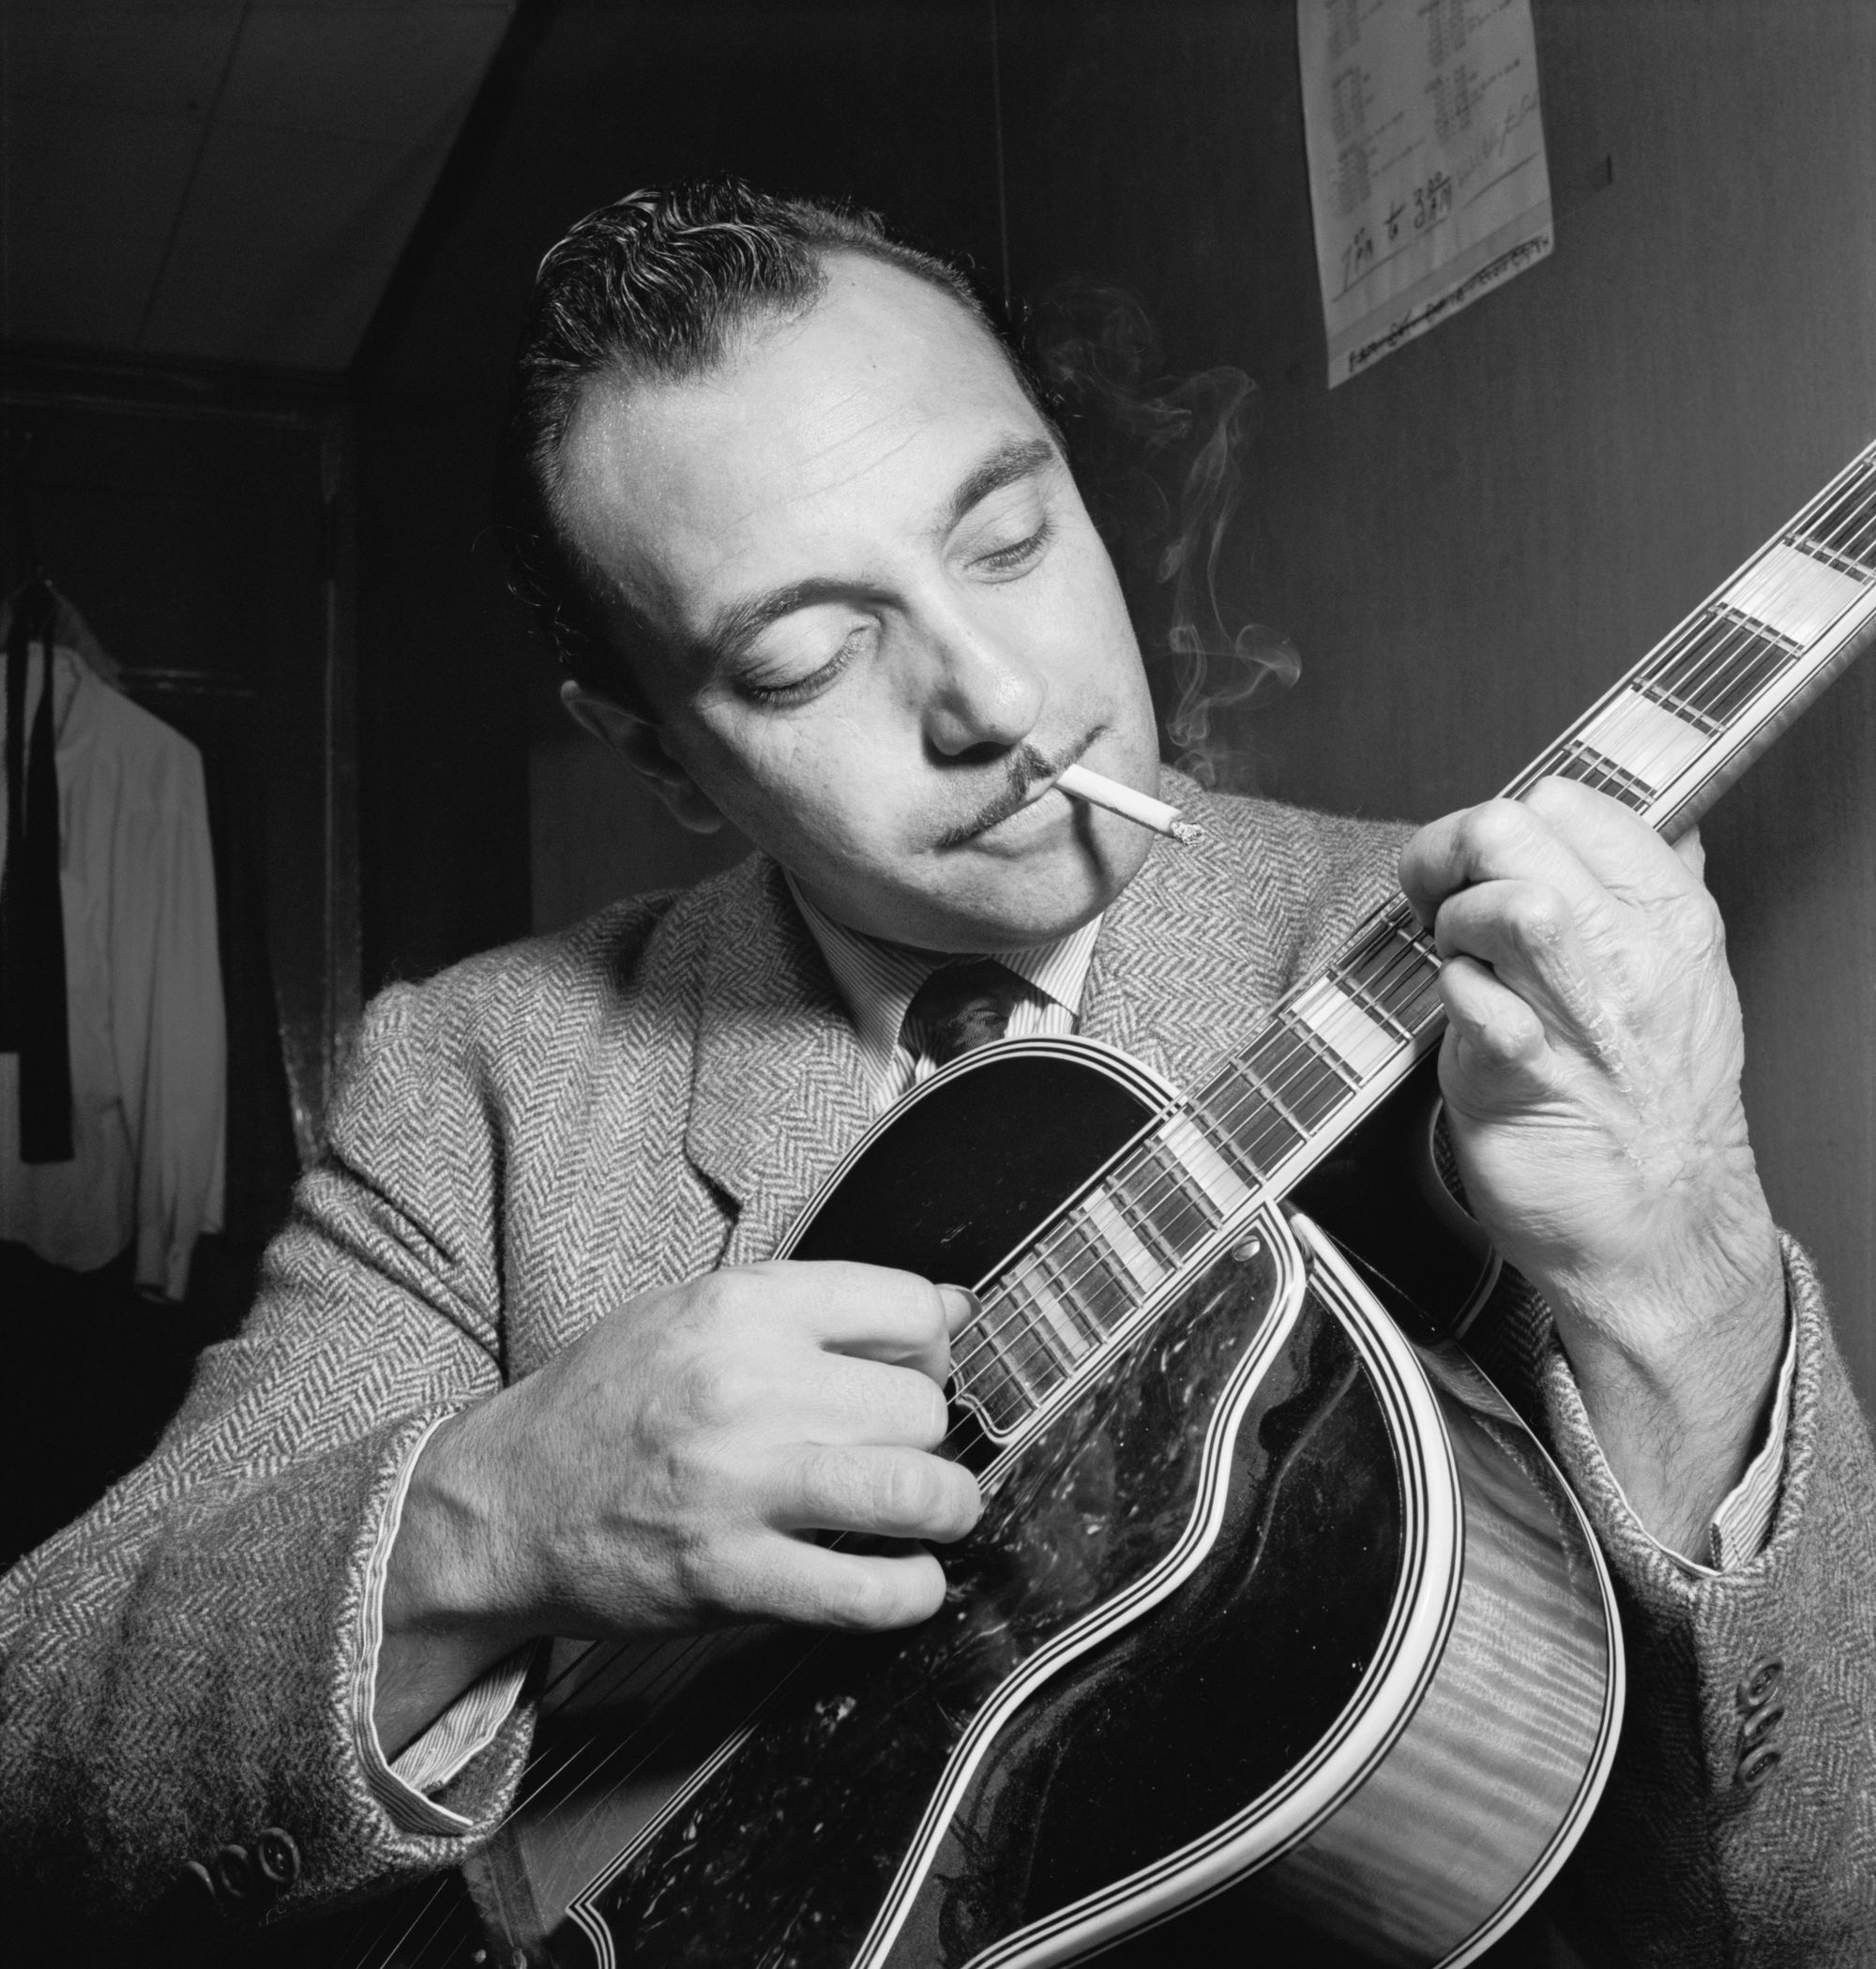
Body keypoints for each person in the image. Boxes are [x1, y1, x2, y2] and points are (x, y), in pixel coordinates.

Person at [2, 179, 1871, 1967]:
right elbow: (46, 1765)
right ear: (656, 755)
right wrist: (489, 1517)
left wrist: (1681, 1270)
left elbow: (1798, 1922)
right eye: (810, 656)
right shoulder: (483, 1083)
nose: (995, 698)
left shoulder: (1502, 997)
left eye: (1007, 533)